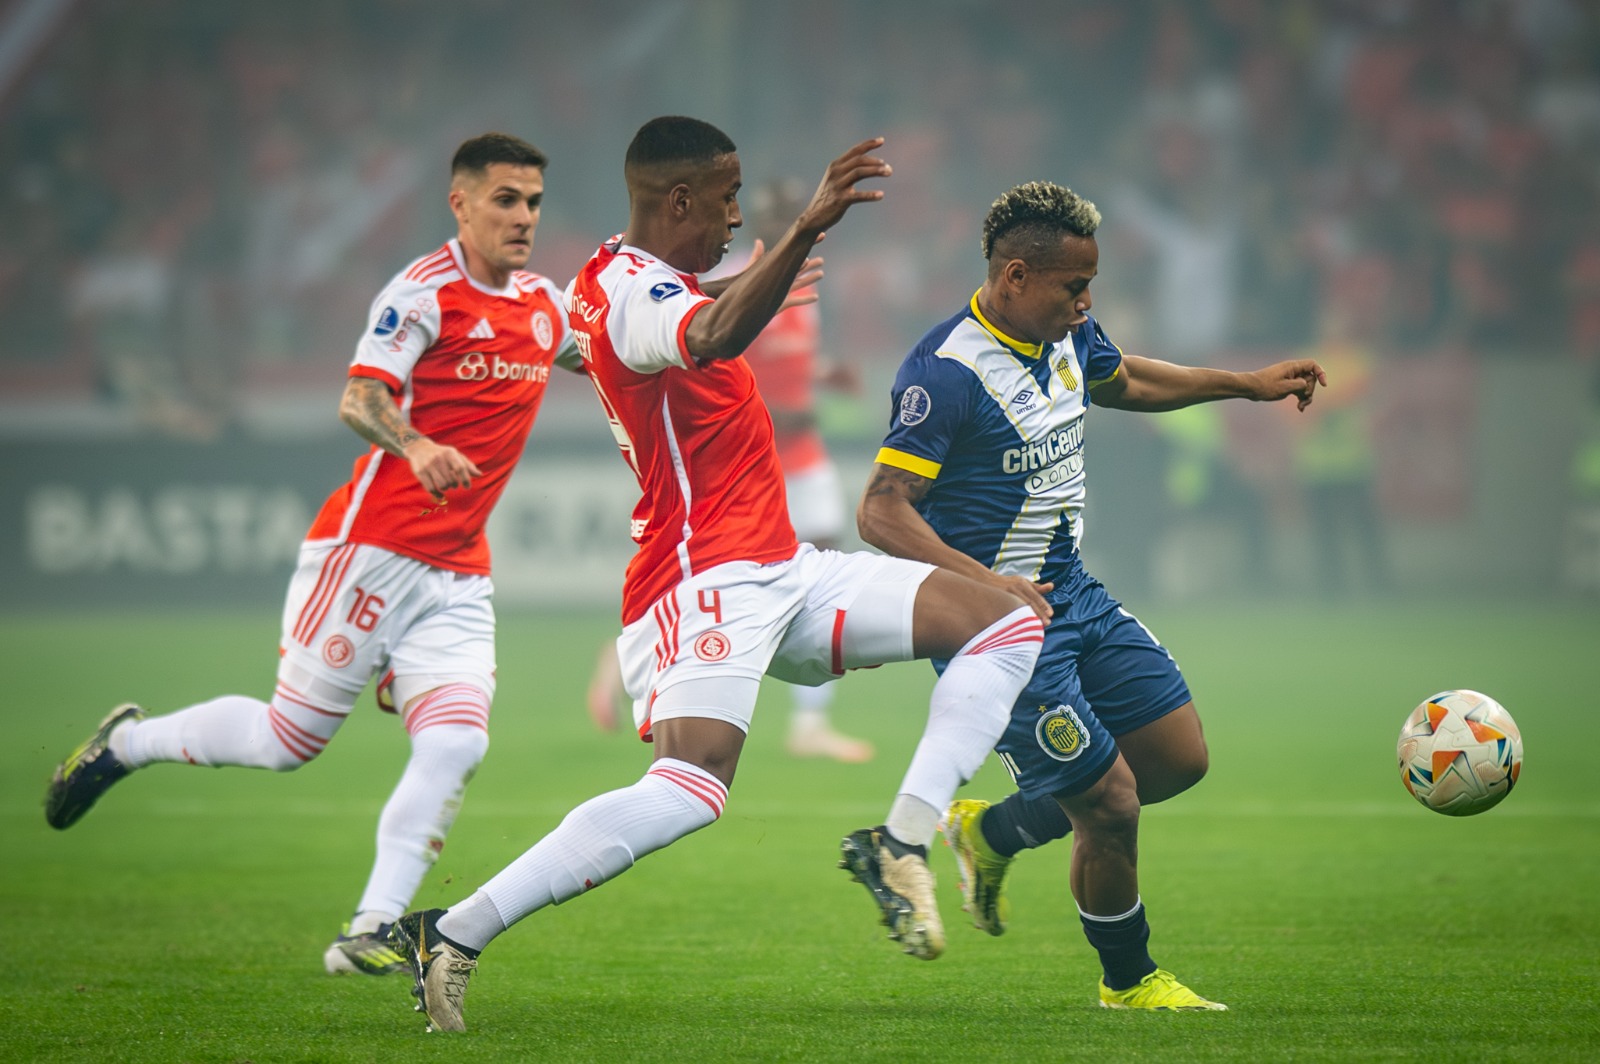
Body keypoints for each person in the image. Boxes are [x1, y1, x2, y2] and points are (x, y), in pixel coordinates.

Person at [387, 116, 1044, 1033]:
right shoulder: (632, 293)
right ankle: (452, 931)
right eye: (728, 198)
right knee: (691, 788)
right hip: (707, 578)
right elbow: (706, 334)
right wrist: (805, 229)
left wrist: (743, 281)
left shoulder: (611, 279)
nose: (738, 215)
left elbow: (662, 320)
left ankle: (899, 842)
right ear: (679, 199)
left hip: (783, 568)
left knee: (1004, 620)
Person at [44, 132, 579, 977]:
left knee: (456, 745)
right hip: (369, 550)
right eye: (505, 199)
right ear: (461, 203)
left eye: (534, 202)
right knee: (287, 740)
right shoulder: (423, 294)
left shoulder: (545, 306)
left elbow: (625, 352)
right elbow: (359, 398)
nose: (523, 217)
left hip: (458, 571)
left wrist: (736, 300)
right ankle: (129, 745)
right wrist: (416, 445)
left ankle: (371, 927)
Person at [858, 180, 1326, 1011]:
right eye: (1074, 286)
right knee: (1110, 805)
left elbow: (1126, 379)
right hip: (997, 626)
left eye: (1091, 285)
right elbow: (881, 511)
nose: (1086, 303)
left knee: (1176, 760)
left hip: (1074, 593)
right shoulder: (946, 373)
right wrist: (988, 585)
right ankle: (1129, 981)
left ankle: (992, 830)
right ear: (1014, 277)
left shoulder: (1065, 333)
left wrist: (1246, 385)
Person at [583, 176, 875, 764]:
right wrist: (794, 411)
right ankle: (625, 656)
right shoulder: (743, 280)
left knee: (818, 562)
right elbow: (716, 362)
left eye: (791, 210)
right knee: (723, 572)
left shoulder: (793, 281)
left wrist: (824, 375)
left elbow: (787, 362)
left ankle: (810, 722)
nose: (783, 220)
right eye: (777, 211)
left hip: (804, 456)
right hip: (751, 459)